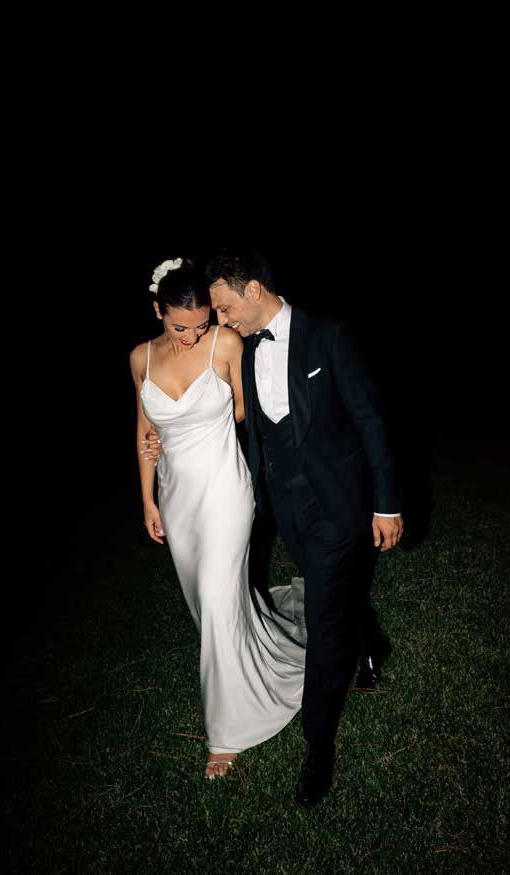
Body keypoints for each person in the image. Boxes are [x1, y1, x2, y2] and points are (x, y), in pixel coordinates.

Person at [143, 250, 403, 806]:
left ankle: (318, 749)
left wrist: (386, 504)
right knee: (333, 594)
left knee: (323, 620)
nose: (219, 320)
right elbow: (230, 414)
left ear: (254, 290)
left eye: (224, 308)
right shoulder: (241, 346)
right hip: (283, 509)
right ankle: (371, 643)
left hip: (337, 504)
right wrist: (164, 435)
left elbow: (369, 420)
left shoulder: (329, 337)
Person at [130, 256, 307, 781]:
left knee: (213, 596)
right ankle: (260, 658)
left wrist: (201, 426)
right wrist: (148, 500)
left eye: (201, 325)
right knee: (206, 605)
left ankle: (225, 734)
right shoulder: (140, 358)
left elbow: (248, 411)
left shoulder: (225, 344)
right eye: (179, 328)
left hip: (225, 489)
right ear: (158, 312)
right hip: (176, 496)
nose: (192, 337)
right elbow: (144, 431)